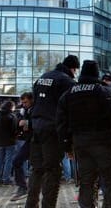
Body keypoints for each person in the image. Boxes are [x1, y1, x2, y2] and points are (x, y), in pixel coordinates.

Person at [57, 59, 111, 208]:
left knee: (87, 182)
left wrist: (66, 145)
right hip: (104, 143)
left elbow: (61, 122)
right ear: (96, 74)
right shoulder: (103, 91)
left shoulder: (69, 93)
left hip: (80, 144)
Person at [25, 54, 79, 208]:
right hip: (52, 130)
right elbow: (69, 109)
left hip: (36, 128)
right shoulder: (66, 81)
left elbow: (35, 101)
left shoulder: (43, 77)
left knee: (37, 169)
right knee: (53, 170)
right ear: (73, 68)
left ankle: (31, 204)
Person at [11, 92, 34, 201]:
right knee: (16, 161)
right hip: (30, 140)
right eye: (22, 102)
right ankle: (22, 187)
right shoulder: (25, 110)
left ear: (32, 100)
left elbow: (42, 123)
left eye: (25, 102)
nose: (24, 104)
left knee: (37, 168)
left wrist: (28, 123)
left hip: (38, 141)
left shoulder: (38, 109)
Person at [0, 100, 18, 185]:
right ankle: (6, 179)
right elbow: (14, 130)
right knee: (8, 161)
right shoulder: (11, 116)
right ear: (11, 107)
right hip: (10, 141)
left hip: (0, 141)